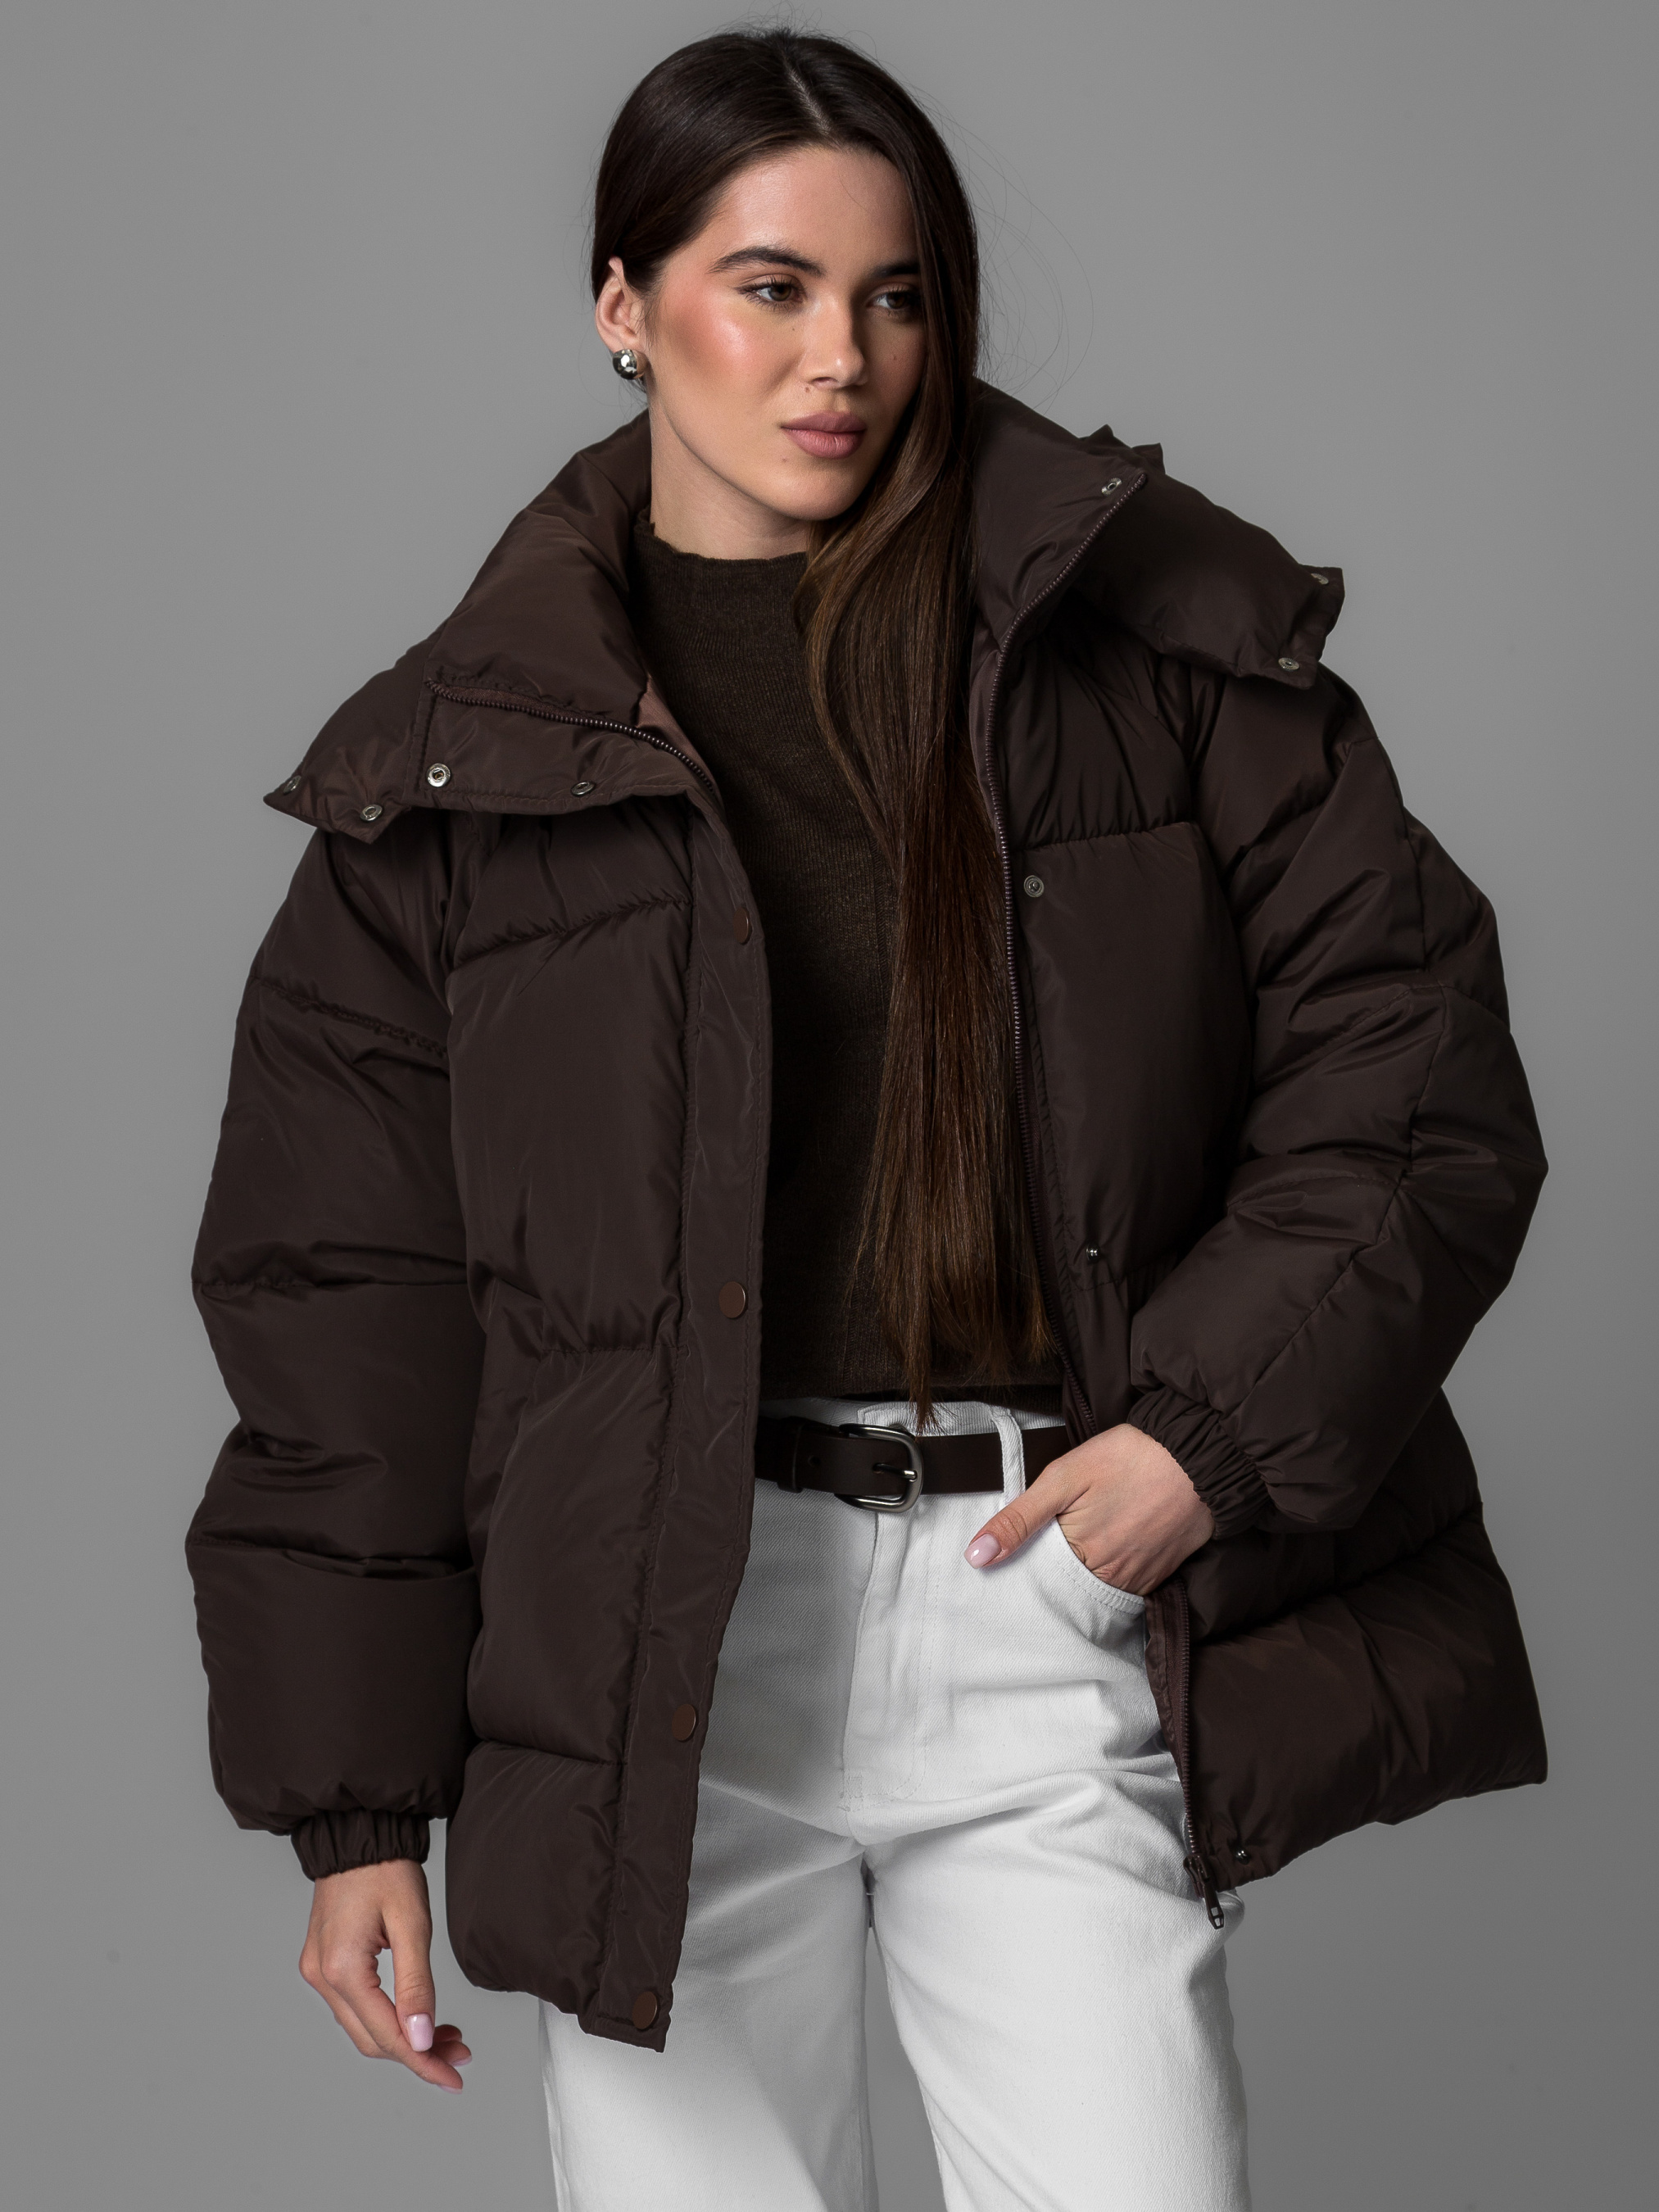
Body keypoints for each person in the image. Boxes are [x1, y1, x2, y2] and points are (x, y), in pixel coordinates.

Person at [185, 27, 1548, 2210]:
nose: (842, 358)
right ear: (624, 306)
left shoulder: (1149, 659)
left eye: (895, 296)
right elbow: (348, 1305)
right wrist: (353, 1807)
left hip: (1045, 1596)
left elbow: (1411, 1071)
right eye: (772, 287)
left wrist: (1198, 1445)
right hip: (658, 1656)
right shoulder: (452, 778)